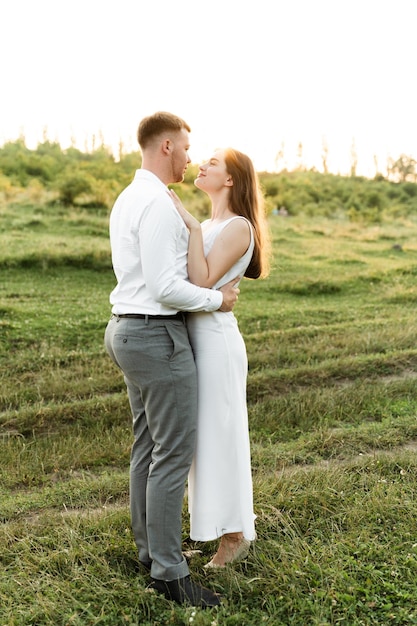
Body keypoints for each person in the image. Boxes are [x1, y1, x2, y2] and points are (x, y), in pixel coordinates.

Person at [104, 112, 240, 608]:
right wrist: (217, 301)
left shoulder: (130, 197)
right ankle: (168, 571)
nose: (189, 155)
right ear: (165, 147)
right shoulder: (158, 204)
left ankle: (149, 550)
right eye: (185, 146)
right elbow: (165, 287)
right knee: (173, 452)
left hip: (127, 329)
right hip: (156, 336)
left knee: (148, 444)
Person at [169, 147, 270, 567]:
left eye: (213, 162)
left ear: (230, 179)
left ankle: (235, 535)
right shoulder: (212, 223)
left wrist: (191, 227)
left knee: (221, 438)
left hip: (216, 344)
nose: (202, 165)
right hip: (196, 338)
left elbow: (202, 280)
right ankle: (216, 524)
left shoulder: (238, 227)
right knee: (201, 442)